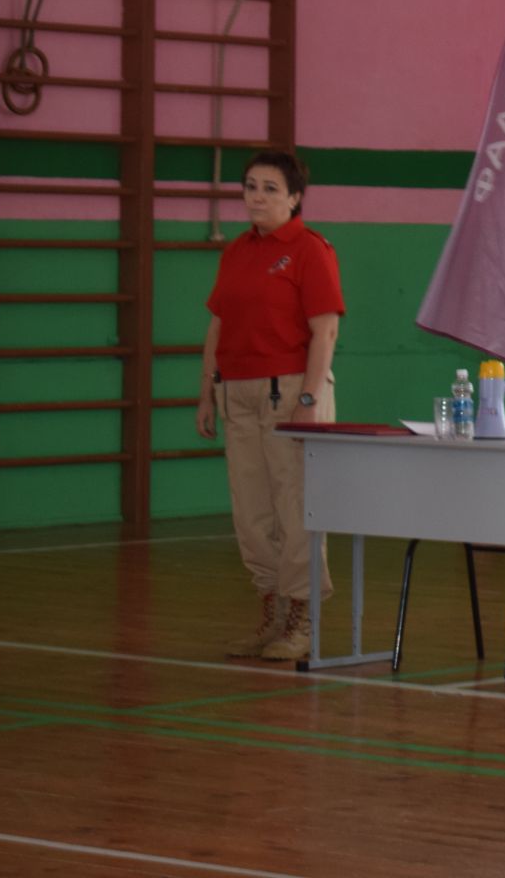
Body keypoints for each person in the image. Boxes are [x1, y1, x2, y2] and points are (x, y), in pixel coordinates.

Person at [196, 150, 345, 663]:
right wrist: (206, 393)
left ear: (295, 198)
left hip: (290, 390)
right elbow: (217, 325)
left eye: (270, 189)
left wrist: (308, 397)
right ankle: (272, 611)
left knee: (294, 504)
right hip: (237, 390)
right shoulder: (237, 251)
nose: (256, 197)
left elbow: (325, 328)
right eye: (250, 187)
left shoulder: (308, 249)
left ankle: (305, 616)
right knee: (251, 511)